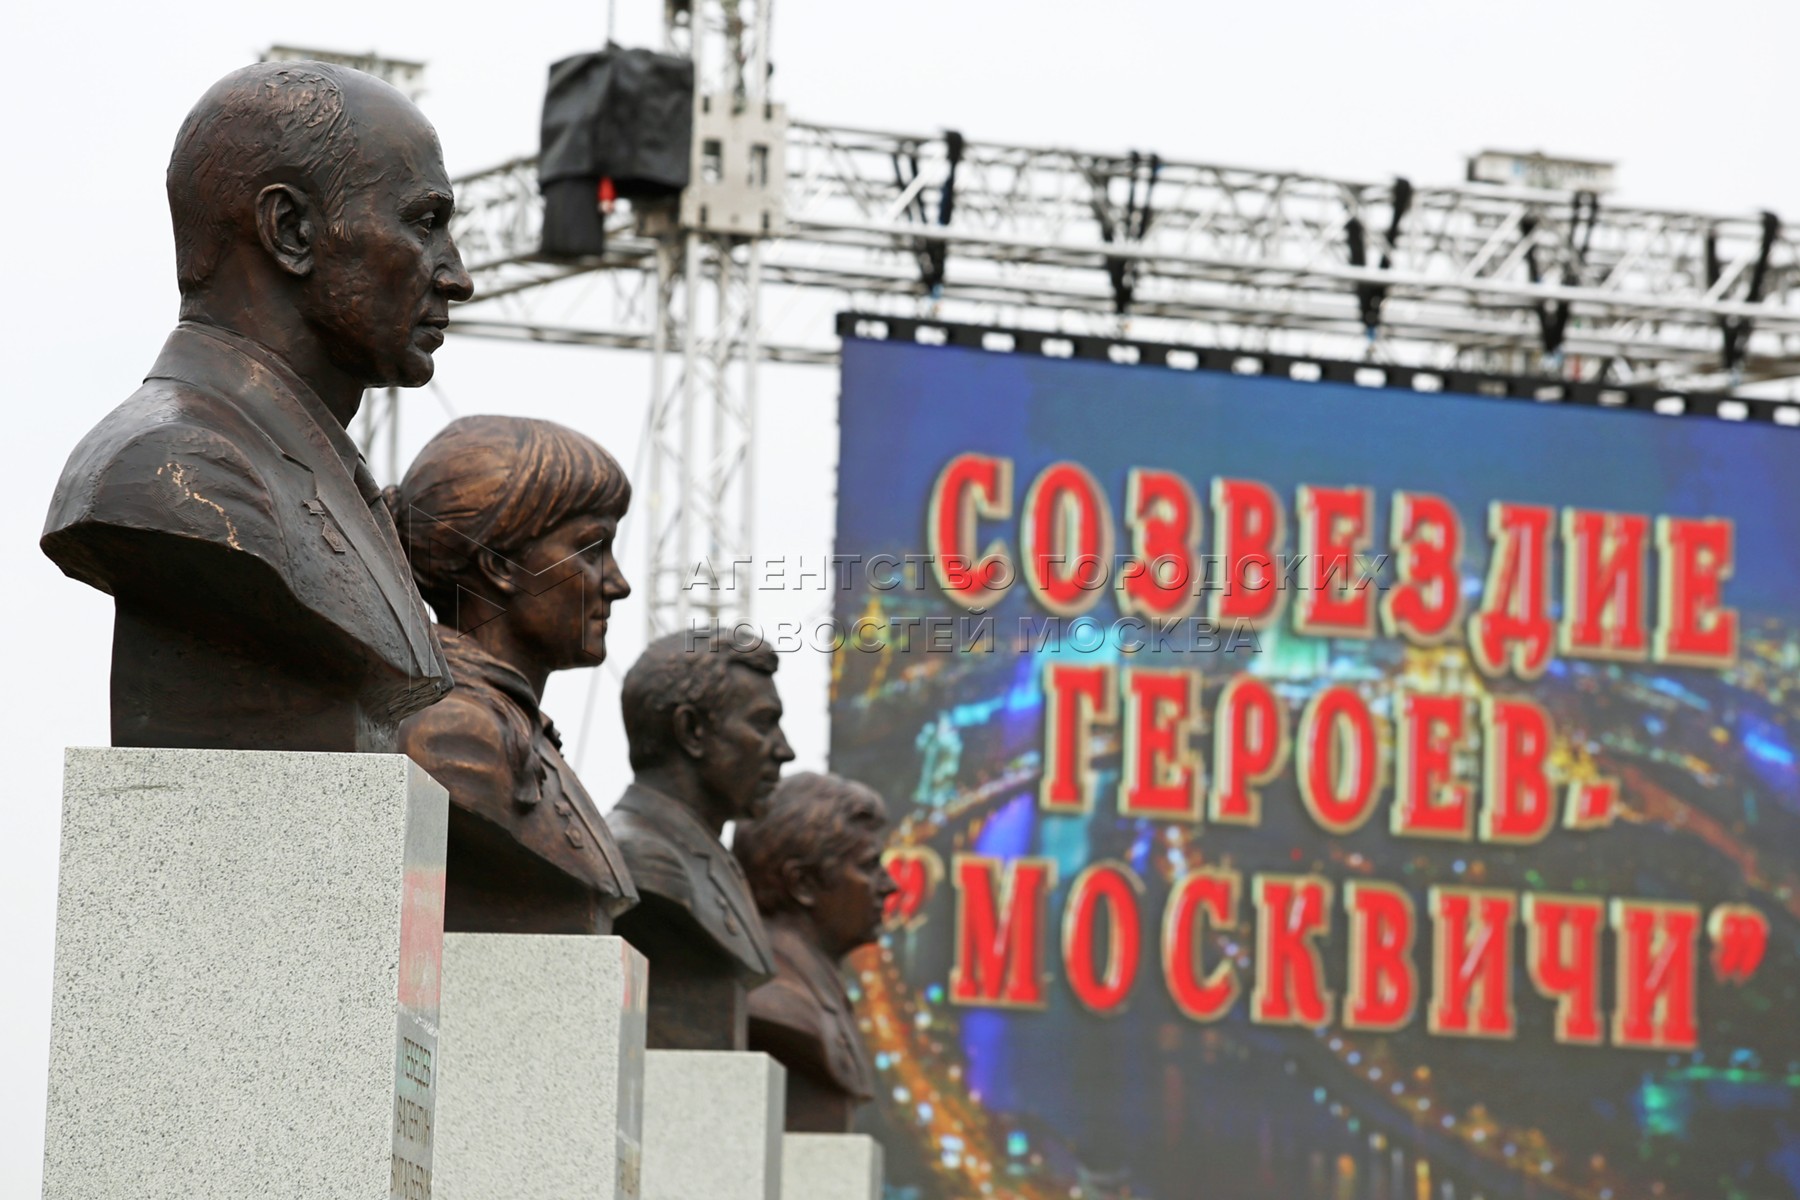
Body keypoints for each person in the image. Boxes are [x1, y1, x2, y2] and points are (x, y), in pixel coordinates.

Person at [41, 61, 472, 751]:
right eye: (424, 223)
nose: (457, 277)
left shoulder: (314, 472)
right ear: (291, 230)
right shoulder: (176, 466)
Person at [391, 415, 638, 934]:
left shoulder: (517, 730)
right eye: (592, 550)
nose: (618, 584)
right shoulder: (456, 736)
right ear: (499, 564)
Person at [607, 630, 794, 1049]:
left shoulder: (707, 859)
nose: (784, 750)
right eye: (763, 724)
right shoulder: (641, 858)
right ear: (691, 731)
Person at [733, 772, 897, 1132]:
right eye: (868, 866)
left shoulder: (813, 991)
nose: (889, 885)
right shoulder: (771, 1001)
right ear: (803, 883)